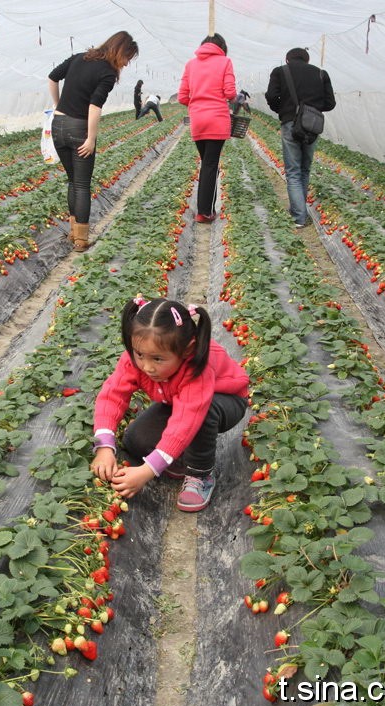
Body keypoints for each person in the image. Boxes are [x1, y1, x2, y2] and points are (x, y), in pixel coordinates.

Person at [91, 296, 250, 512]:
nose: (147, 366)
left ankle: (200, 474)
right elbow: (112, 395)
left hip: (224, 402)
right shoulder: (134, 360)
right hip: (176, 401)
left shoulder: (197, 368)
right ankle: (178, 458)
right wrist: (104, 447)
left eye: (157, 359)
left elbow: (186, 420)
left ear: (186, 350)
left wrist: (148, 470)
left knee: (202, 416)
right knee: (135, 440)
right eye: (140, 354)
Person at [48, 31, 139, 251]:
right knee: (81, 184)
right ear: (120, 51)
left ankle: (73, 232)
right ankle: (81, 240)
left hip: (58, 126)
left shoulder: (79, 57)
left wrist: (58, 105)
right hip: (79, 127)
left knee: (72, 181)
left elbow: (52, 77)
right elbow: (94, 106)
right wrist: (90, 138)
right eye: (127, 58)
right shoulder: (107, 73)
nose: (126, 64)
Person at [264, 47, 336, 228]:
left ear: (287, 59)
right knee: (304, 169)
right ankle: (300, 210)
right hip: (312, 127)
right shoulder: (321, 74)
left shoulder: (281, 71)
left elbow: (271, 96)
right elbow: (330, 103)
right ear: (307, 59)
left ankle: (298, 217)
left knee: (293, 171)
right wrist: (312, 108)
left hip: (290, 123)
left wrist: (283, 109)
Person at [178, 34, 237, 223]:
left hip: (198, 120)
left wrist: (197, 103)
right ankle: (205, 212)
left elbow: (182, 97)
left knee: (206, 163)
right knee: (210, 164)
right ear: (222, 47)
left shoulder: (190, 64)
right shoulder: (225, 62)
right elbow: (230, 92)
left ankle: (204, 208)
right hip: (217, 119)